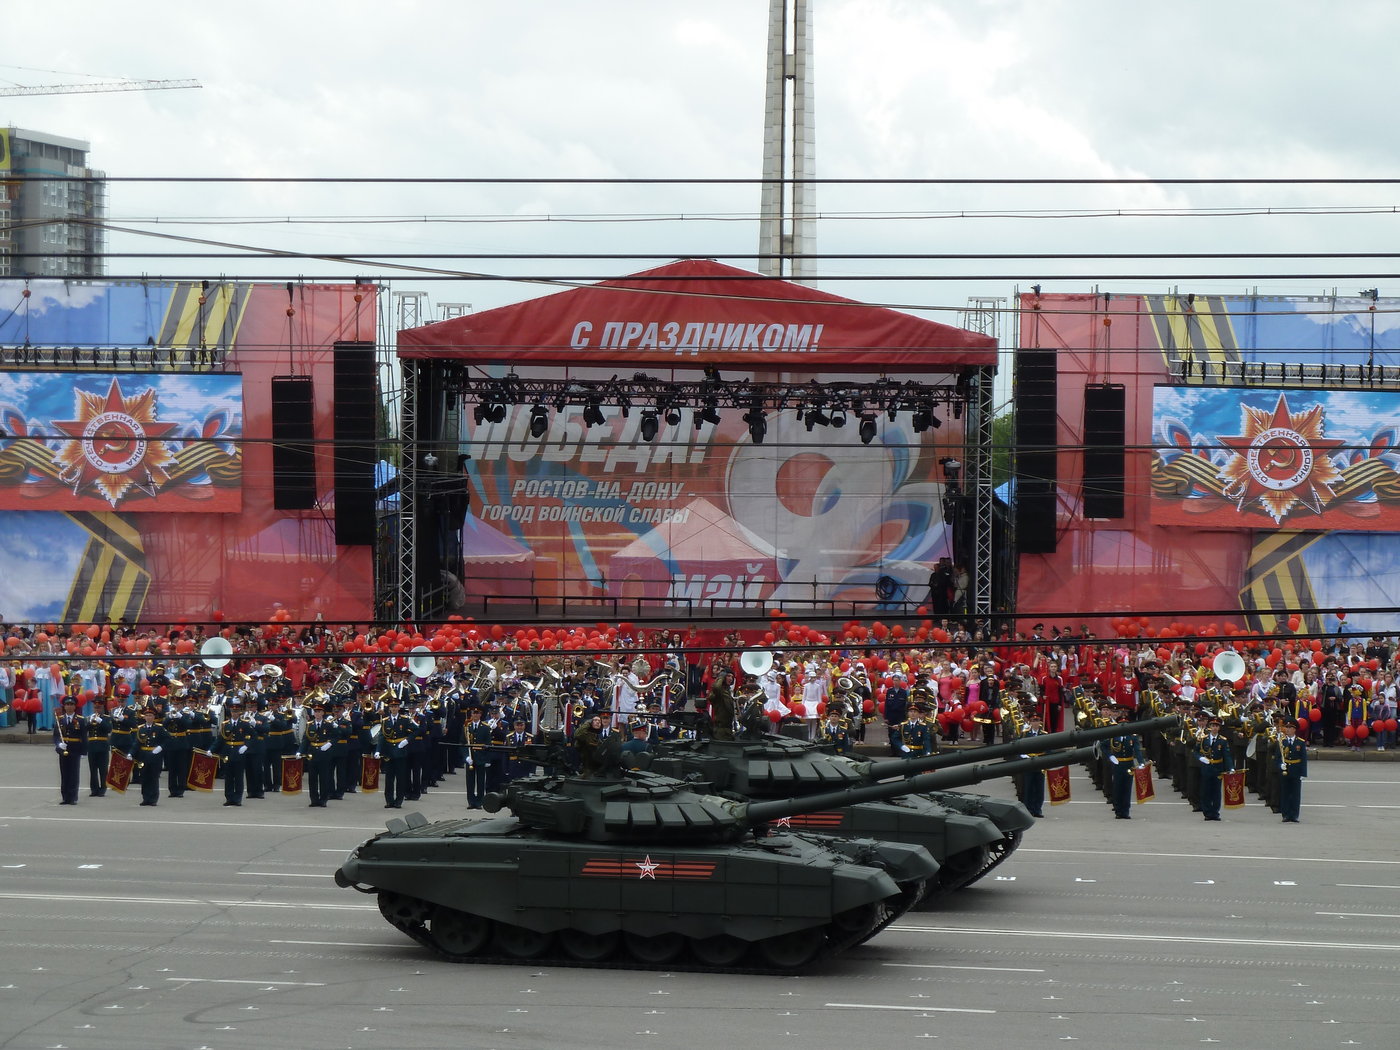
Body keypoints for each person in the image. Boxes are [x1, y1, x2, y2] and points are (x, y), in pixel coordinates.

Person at [1101, 710, 1145, 819]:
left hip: (1129, 764)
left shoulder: (1132, 737)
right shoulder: (1114, 737)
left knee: (1127, 788)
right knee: (1117, 787)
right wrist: (1110, 756)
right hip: (1118, 764)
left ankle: (1125, 811)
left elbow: (1137, 750)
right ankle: (1118, 810)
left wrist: (1141, 762)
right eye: (1121, 724)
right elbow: (1103, 745)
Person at [215, 698, 255, 807]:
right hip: (227, 752)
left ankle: (237, 798)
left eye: (236, 712)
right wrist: (211, 750)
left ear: (240, 712)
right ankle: (229, 798)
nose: (234, 714)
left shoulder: (244, 724)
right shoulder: (225, 724)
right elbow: (220, 739)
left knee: (238, 777)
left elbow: (253, 736)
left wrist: (246, 746)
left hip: (239, 752)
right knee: (228, 777)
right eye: (233, 711)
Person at [130, 704, 172, 807]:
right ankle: (146, 798)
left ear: (154, 717)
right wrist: (131, 753)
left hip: (155, 756)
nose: (148, 717)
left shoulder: (159, 728)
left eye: (150, 715)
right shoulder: (141, 729)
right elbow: (137, 743)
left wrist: (161, 747)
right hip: (144, 756)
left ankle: (153, 799)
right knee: (144, 777)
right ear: (144, 717)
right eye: (147, 715)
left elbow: (168, 739)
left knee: (153, 777)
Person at [1195, 715, 1234, 821]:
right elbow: (1196, 751)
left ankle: (1215, 812)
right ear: (1210, 727)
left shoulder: (1223, 740)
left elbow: (1227, 755)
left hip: (1218, 768)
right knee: (1206, 790)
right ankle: (1207, 812)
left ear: (1219, 728)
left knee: (1216, 792)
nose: (1215, 728)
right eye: (1213, 726)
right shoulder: (1203, 739)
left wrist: (1230, 768)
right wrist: (1200, 758)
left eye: (1217, 726)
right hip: (1207, 767)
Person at [377, 696, 414, 809]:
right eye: (392, 706)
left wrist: (407, 740)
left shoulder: (405, 719)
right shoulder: (385, 721)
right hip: (389, 752)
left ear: (399, 708)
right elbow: (382, 737)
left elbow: (417, 730)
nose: (394, 708)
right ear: (389, 708)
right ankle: (389, 800)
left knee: (400, 778)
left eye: (396, 706)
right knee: (389, 778)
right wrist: (378, 750)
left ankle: (399, 800)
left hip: (400, 751)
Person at [53, 695, 88, 805]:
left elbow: (84, 736)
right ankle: (65, 797)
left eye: (71, 704)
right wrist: (59, 744)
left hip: (75, 749)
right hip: (63, 750)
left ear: (75, 706)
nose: (69, 706)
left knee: (74, 774)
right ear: (64, 706)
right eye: (67, 704)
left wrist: (84, 752)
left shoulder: (80, 720)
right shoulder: (60, 719)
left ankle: (73, 797)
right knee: (65, 774)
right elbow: (56, 735)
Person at [302, 699, 336, 808]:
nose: (317, 713)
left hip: (324, 753)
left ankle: (323, 799)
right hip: (312, 753)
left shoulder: (328, 724)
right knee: (312, 778)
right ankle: (314, 800)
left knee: (324, 778)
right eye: (315, 711)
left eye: (319, 711)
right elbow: (306, 740)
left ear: (323, 713)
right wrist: (300, 751)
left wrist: (329, 744)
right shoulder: (309, 724)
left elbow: (335, 736)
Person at [1277, 720, 1308, 823]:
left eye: (1290, 728)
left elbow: (1303, 758)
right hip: (1285, 770)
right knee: (1285, 793)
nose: (1288, 730)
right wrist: (1280, 765)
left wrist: (1303, 773)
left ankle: (1294, 815)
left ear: (1294, 730)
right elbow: (1278, 756)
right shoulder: (1282, 741)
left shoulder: (1300, 742)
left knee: (1295, 794)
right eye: (1287, 727)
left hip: (1296, 770)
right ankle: (1285, 814)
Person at [1018, 712, 1047, 817]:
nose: (1035, 723)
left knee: (1039, 788)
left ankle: (1037, 809)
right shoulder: (1025, 733)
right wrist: (1025, 756)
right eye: (1033, 721)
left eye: (1037, 720)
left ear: (1040, 722)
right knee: (1028, 788)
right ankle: (1029, 809)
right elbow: (1020, 747)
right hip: (1029, 763)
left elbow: (1048, 749)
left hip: (1040, 764)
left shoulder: (1044, 734)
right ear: (1030, 722)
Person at [705, 670, 736, 740]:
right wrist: (721, 677)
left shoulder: (727, 692)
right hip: (720, 730)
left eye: (732, 677)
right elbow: (716, 687)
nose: (730, 678)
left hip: (728, 730)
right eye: (728, 676)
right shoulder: (719, 692)